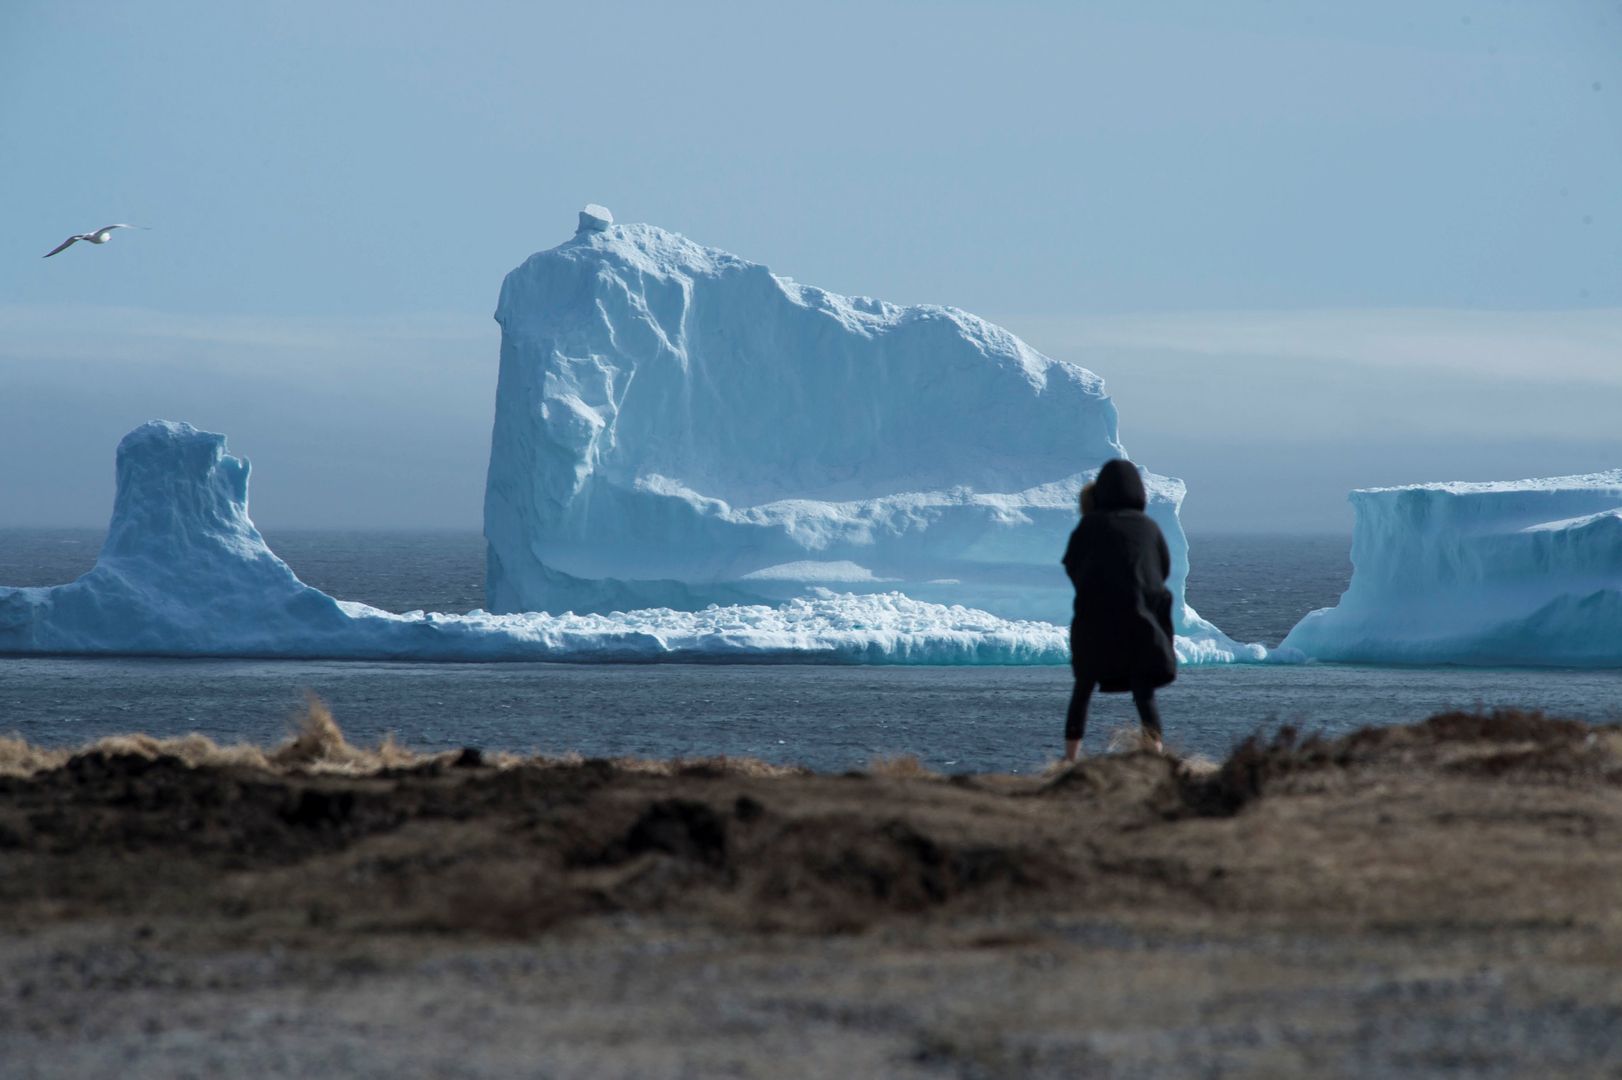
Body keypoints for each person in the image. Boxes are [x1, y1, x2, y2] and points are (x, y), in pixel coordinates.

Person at [1061, 458, 1177, 761]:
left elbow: (1072, 564)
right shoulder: (1149, 528)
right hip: (1141, 623)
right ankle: (1156, 757)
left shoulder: (1089, 526)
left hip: (1094, 624)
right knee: (1143, 690)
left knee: (1083, 687)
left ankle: (1071, 759)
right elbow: (1161, 570)